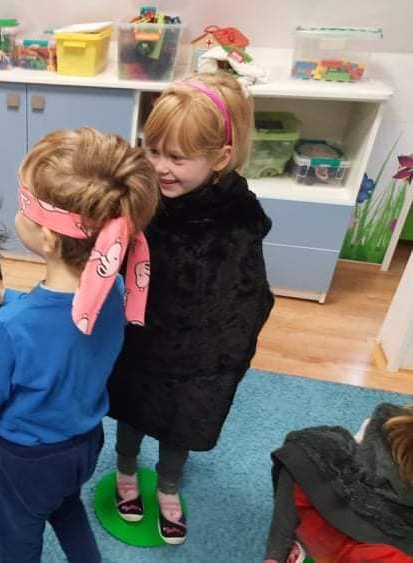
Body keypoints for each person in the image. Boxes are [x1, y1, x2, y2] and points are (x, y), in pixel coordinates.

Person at [0, 127, 160, 563]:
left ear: (48, 237)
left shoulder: (12, 328)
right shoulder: (115, 291)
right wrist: (7, 294)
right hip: (84, 445)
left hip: (25, 463)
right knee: (66, 507)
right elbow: (61, 324)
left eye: (23, 204)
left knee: (17, 540)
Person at [106, 73, 275, 544]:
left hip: (198, 353)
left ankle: (169, 486)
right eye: (153, 151)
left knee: (179, 423)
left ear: (219, 158)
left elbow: (247, 290)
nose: (160, 167)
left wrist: (225, 350)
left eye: (177, 158)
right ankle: (124, 472)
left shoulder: (239, 217)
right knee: (131, 411)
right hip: (140, 338)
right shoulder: (143, 197)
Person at [264, 402, 413, 562]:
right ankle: (280, 552)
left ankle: (280, 553)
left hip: (359, 528)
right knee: (306, 456)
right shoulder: (387, 427)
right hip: (348, 514)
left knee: (305, 457)